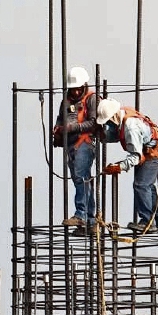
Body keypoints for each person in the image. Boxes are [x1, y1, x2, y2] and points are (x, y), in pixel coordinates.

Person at [95, 99, 158, 232]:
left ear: (114, 117)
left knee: (141, 185)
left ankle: (147, 222)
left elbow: (136, 157)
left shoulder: (130, 126)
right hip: (150, 149)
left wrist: (120, 167)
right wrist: (103, 136)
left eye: (107, 122)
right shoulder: (121, 118)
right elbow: (117, 135)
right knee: (148, 185)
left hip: (155, 153)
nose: (107, 124)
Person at [51, 66, 99, 230]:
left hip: (85, 143)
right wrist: (58, 131)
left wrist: (72, 128)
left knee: (80, 177)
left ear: (84, 86)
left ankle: (81, 215)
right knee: (82, 179)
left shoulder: (92, 99)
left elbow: (94, 123)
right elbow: (60, 119)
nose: (76, 92)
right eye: (73, 89)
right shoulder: (66, 100)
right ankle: (91, 221)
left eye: (79, 89)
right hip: (71, 146)